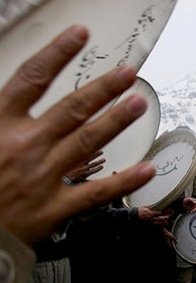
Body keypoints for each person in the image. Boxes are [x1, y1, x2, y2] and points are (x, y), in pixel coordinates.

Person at [0, 25, 156, 282]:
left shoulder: (76, 162)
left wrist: (113, 200)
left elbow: (86, 220)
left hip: (61, 265)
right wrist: (66, 179)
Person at [31, 151, 106, 283]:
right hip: (32, 266)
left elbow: (77, 217)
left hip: (59, 264)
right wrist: (67, 179)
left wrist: (105, 195)